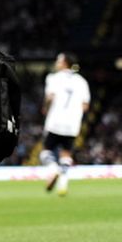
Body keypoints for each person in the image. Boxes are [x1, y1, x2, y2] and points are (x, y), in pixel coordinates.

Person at [39, 52, 90, 196]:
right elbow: (85, 106)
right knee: (66, 154)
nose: (56, 63)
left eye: (58, 61)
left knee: (46, 152)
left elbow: (49, 97)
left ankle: (53, 169)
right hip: (73, 124)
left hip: (55, 120)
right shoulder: (82, 81)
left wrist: (45, 108)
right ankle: (63, 184)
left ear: (65, 63)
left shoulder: (53, 78)